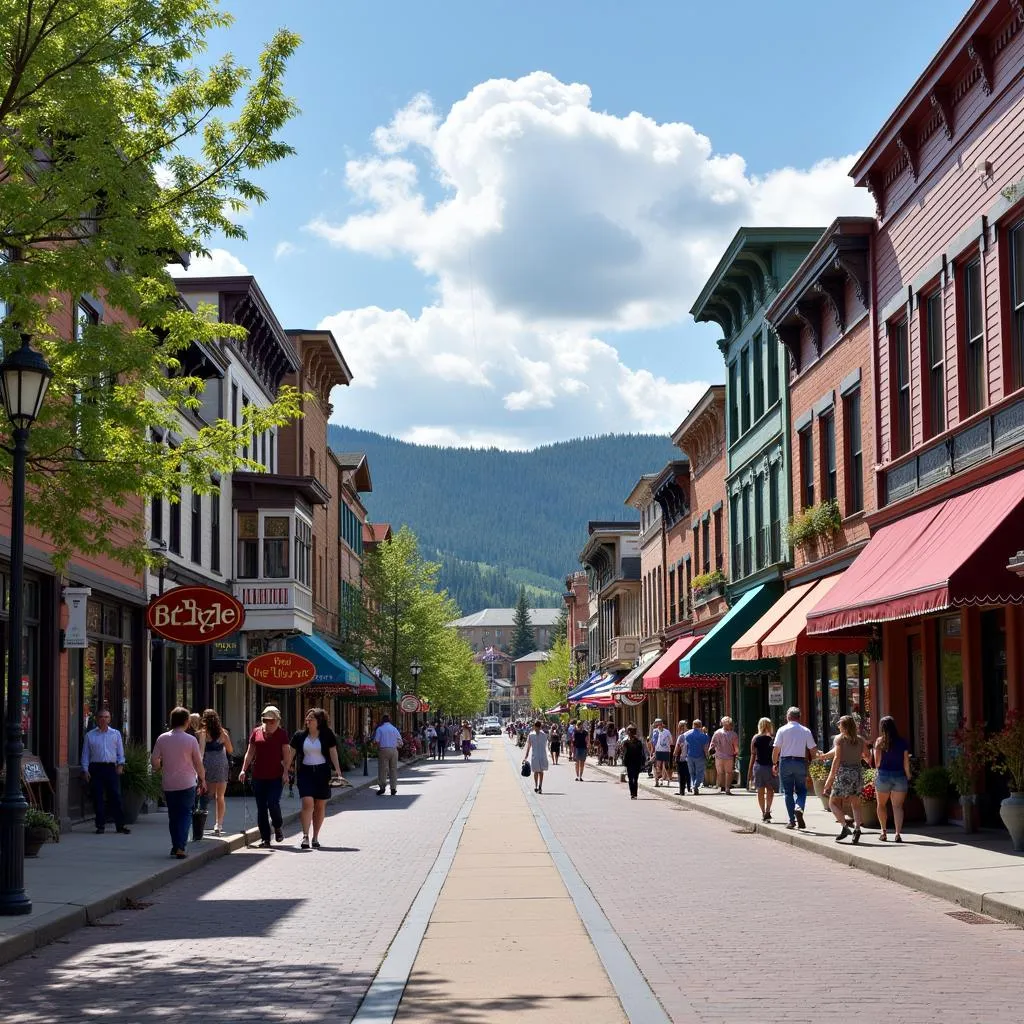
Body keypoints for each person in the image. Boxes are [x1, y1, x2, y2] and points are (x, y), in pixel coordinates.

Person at [151, 706, 206, 858]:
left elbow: (154, 759)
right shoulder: (190, 740)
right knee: (185, 814)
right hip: (187, 782)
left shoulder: (162, 738)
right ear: (187, 722)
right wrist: (202, 778)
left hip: (169, 783)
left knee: (173, 816)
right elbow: (198, 763)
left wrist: (159, 769)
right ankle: (180, 846)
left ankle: (176, 845)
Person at [238, 705, 292, 848]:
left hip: (276, 776)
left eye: (272, 721)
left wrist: (286, 772)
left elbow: (287, 754)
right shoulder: (256, 732)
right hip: (259, 776)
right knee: (261, 807)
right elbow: (249, 753)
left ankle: (278, 826)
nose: (269, 723)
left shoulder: (282, 734)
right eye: (267, 720)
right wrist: (243, 770)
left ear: (278, 721)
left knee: (273, 803)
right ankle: (265, 839)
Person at [290, 708, 342, 849]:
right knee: (307, 803)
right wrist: (285, 770)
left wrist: (338, 771)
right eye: (307, 717)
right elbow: (291, 752)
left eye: (311, 718)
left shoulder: (327, 734)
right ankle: (305, 836)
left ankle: (315, 837)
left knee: (319, 806)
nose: (308, 720)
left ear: (319, 721)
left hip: (322, 773)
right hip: (305, 772)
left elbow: (333, 752)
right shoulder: (299, 736)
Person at [81, 708, 130, 835]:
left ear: (110, 719)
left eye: (106, 717)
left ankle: (120, 825)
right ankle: (100, 825)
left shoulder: (115, 734)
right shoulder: (90, 735)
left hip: (111, 768)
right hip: (96, 768)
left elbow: (120, 752)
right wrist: (85, 770)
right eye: (101, 717)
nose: (104, 719)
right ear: (97, 719)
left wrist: (120, 765)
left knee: (115, 796)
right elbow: (85, 754)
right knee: (98, 797)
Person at [823, 714, 871, 843]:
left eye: (839, 724)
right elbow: (867, 755)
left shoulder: (840, 740)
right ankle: (857, 829)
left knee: (832, 802)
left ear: (844, 726)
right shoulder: (860, 740)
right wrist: (860, 757)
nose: (838, 726)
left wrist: (830, 779)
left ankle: (845, 827)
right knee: (855, 804)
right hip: (857, 772)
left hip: (844, 773)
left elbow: (836, 759)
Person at [772, 706, 818, 830]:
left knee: (788, 792)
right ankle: (799, 807)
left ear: (788, 717)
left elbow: (776, 749)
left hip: (785, 761)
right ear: (799, 717)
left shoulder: (782, 730)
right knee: (802, 790)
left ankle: (792, 820)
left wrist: (774, 763)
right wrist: (814, 762)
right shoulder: (805, 730)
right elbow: (813, 750)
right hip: (800, 762)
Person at [873, 715, 912, 842]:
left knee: (881, 805)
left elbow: (877, 763)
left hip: (883, 776)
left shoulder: (879, 742)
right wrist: (909, 775)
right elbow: (906, 762)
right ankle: (897, 834)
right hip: (900, 776)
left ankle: (883, 832)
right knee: (897, 807)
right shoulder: (902, 742)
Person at [200, 708, 233, 836]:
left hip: (208, 764)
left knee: (207, 795)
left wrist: (200, 768)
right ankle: (218, 824)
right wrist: (225, 740)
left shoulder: (204, 733)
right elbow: (230, 750)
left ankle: (201, 823)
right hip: (221, 764)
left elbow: (201, 751)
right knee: (220, 797)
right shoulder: (223, 733)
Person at [750, 717, 777, 822]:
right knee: (770, 789)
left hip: (759, 766)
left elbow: (753, 753)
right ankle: (768, 810)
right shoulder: (773, 738)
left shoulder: (755, 738)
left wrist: (749, 771)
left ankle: (763, 812)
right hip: (770, 766)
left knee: (760, 790)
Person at [709, 716, 740, 794]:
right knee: (728, 772)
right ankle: (727, 788)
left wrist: (710, 751)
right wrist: (736, 753)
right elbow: (736, 746)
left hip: (719, 756)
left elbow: (712, 743)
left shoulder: (717, 732)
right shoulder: (733, 734)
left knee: (720, 772)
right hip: (729, 756)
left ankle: (721, 787)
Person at [374, 713, 403, 795]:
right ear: (389, 720)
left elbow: (377, 741)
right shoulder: (394, 729)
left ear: (382, 720)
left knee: (383, 769)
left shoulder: (380, 729)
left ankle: (382, 787)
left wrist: (379, 749)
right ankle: (393, 788)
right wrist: (395, 745)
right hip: (394, 750)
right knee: (393, 769)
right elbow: (400, 741)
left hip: (383, 749)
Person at [682, 719, 709, 795]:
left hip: (690, 756)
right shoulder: (704, 736)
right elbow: (705, 748)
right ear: (700, 726)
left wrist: (684, 756)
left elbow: (685, 746)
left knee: (692, 772)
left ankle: (694, 785)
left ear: (693, 726)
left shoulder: (687, 735)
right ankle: (695, 785)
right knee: (699, 772)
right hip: (700, 756)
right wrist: (707, 756)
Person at [523, 720, 550, 793]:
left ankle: (540, 786)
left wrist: (547, 754)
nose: (537, 728)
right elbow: (528, 746)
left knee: (541, 771)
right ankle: (535, 785)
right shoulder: (531, 735)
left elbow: (546, 745)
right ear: (534, 727)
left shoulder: (544, 735)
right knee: (535, 771)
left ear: (540, 727)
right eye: (536, 727)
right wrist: (526, 756)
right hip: (534, 755)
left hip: (542, 755)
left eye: (538, 727)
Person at [621, 724, 646, 800]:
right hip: (629, 763)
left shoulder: (638, 742)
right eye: (629, 731)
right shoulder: (626, 742)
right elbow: (623, 752)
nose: (630, 733)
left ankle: (634, 794)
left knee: (635, 778)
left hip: (636, 763)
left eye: (630, 731)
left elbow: (641, 753)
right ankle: (633, 793)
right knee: (631, 778)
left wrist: (642, 763)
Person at [649, 718, 673, 788]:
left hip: (665, 751)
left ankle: (665, 779)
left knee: (665, 766)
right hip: (658, 751)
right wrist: (652, 751)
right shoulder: (654, 731)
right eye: (656, 725)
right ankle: (657, 781)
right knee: (657, 766)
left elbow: (671, 741)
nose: (657, 726)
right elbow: (652, 742)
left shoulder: (667, 732)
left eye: (658, 724)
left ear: (662, 724)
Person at [673, 720, 691, 795]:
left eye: (679, 726)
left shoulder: (681, 737)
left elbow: (677, 748)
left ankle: (682, 791)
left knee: (681, 775)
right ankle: (690, 788)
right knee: (688, 773)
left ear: (681, 727)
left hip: (682, 758)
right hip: (691, 757)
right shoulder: (691, 734)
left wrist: (674, 754)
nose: (678, 728)